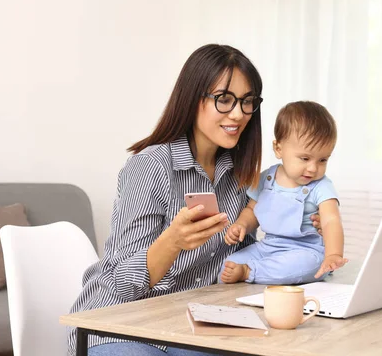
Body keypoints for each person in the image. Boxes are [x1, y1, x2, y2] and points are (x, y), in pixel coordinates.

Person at [68, 44, 268, 356]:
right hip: (120, 324)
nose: (239, 114)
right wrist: (172, 241)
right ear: (193, 99)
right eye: (224, 99)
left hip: (192, 325)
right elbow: (121, 282)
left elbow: (242, 263)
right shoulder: (150, 166)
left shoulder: (240, 175)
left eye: (247, 102)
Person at [220, 101, 348, 285]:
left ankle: (250, 272)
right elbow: (252, 210)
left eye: (322, 160)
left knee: (309, 264)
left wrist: (333, 254)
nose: (313, 168)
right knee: (228, 264)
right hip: (268, 247)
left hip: (305, 250)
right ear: (279, 149)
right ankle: (251, 271)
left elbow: (331, 221)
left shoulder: (321, 186)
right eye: (305, 158)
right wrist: (241, 225)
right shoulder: (267, 178)